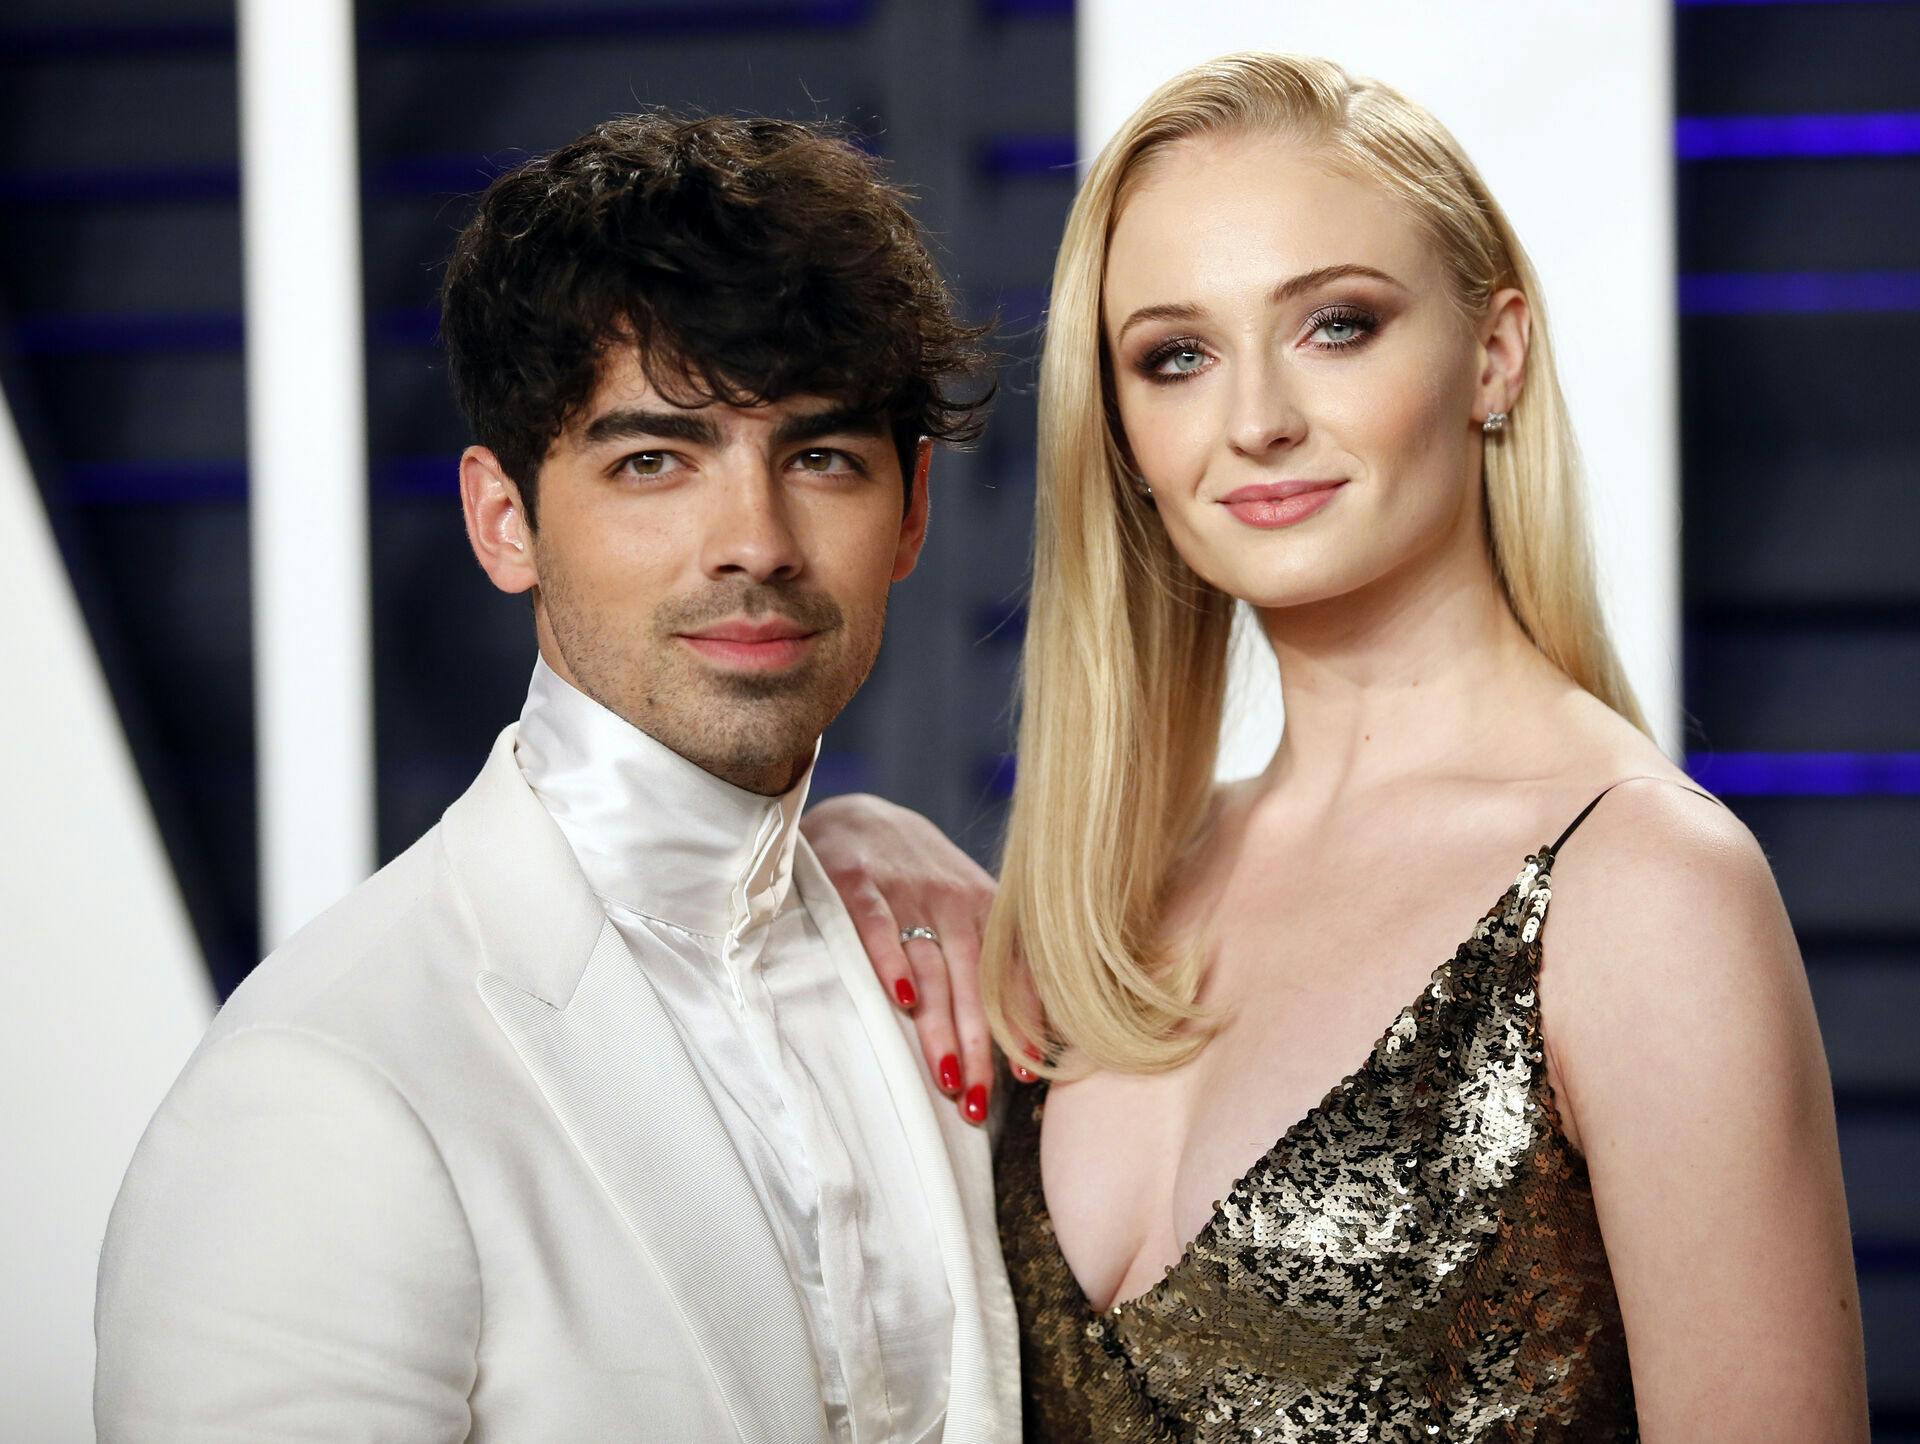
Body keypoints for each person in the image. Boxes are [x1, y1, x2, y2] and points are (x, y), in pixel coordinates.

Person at [801, 53, 1869, 1440]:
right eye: (1176, 356)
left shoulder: (1647, 894)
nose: (1255, 421)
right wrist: (842, 839)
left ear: (1496, 351)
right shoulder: (1106, 901)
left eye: (1337, 326)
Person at [93, 110, 1020, 1442]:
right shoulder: (323, 1089)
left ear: (914, 511)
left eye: (819, 456)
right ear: (504, 519)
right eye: (654, 460)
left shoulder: (930, 963)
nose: (752, 541)